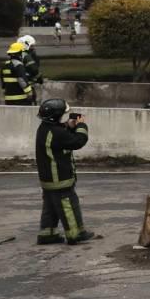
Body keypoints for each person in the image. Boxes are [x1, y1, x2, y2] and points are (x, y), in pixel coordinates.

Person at [35, 98, 98, 245]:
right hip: (60, 179)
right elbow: (78, 141)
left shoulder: (45, 128)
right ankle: (75, 234)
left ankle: (47, 234)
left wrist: (68, 125)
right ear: (56, 116)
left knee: (50, 206)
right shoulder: (57, 133)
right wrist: (81, 125)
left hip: (48, 180)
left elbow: (59, 134)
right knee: (69, 204)